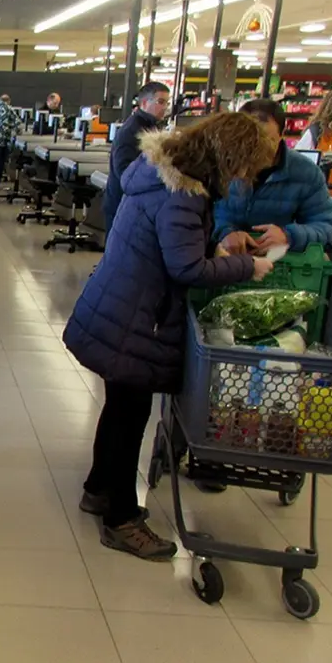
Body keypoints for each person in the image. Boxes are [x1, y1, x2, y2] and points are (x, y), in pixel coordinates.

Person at [63, 113, 276, 560]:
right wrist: (245, 267)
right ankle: (120, 520)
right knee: (129, 417)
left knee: (121, 409)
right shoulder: (183, 194)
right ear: (227, 157)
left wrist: (215, 247)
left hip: (122, 306)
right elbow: (185, 268)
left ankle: (99, 490)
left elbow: (172, 248)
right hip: (139, 318)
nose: (242, 178)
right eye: (243, 168)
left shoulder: (160, 176)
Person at [215, 99, 332, 255]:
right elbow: (192, 217)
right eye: (250, 141)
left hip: (280, 267)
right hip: (221, 263)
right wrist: (224, 232)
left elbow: (329, 225)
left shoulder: (305, 172)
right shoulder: (219, 166)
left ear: (282, 135)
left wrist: (289, 236)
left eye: (268, 141)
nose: (258, 149)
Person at [103, 82, 172, 238]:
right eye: (160, 102)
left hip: (133, 205)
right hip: (121, 206)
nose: (165, 107)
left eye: (167, 103)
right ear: (144, 103)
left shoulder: (151, 127)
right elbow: (124, 173)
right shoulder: (132, 131)